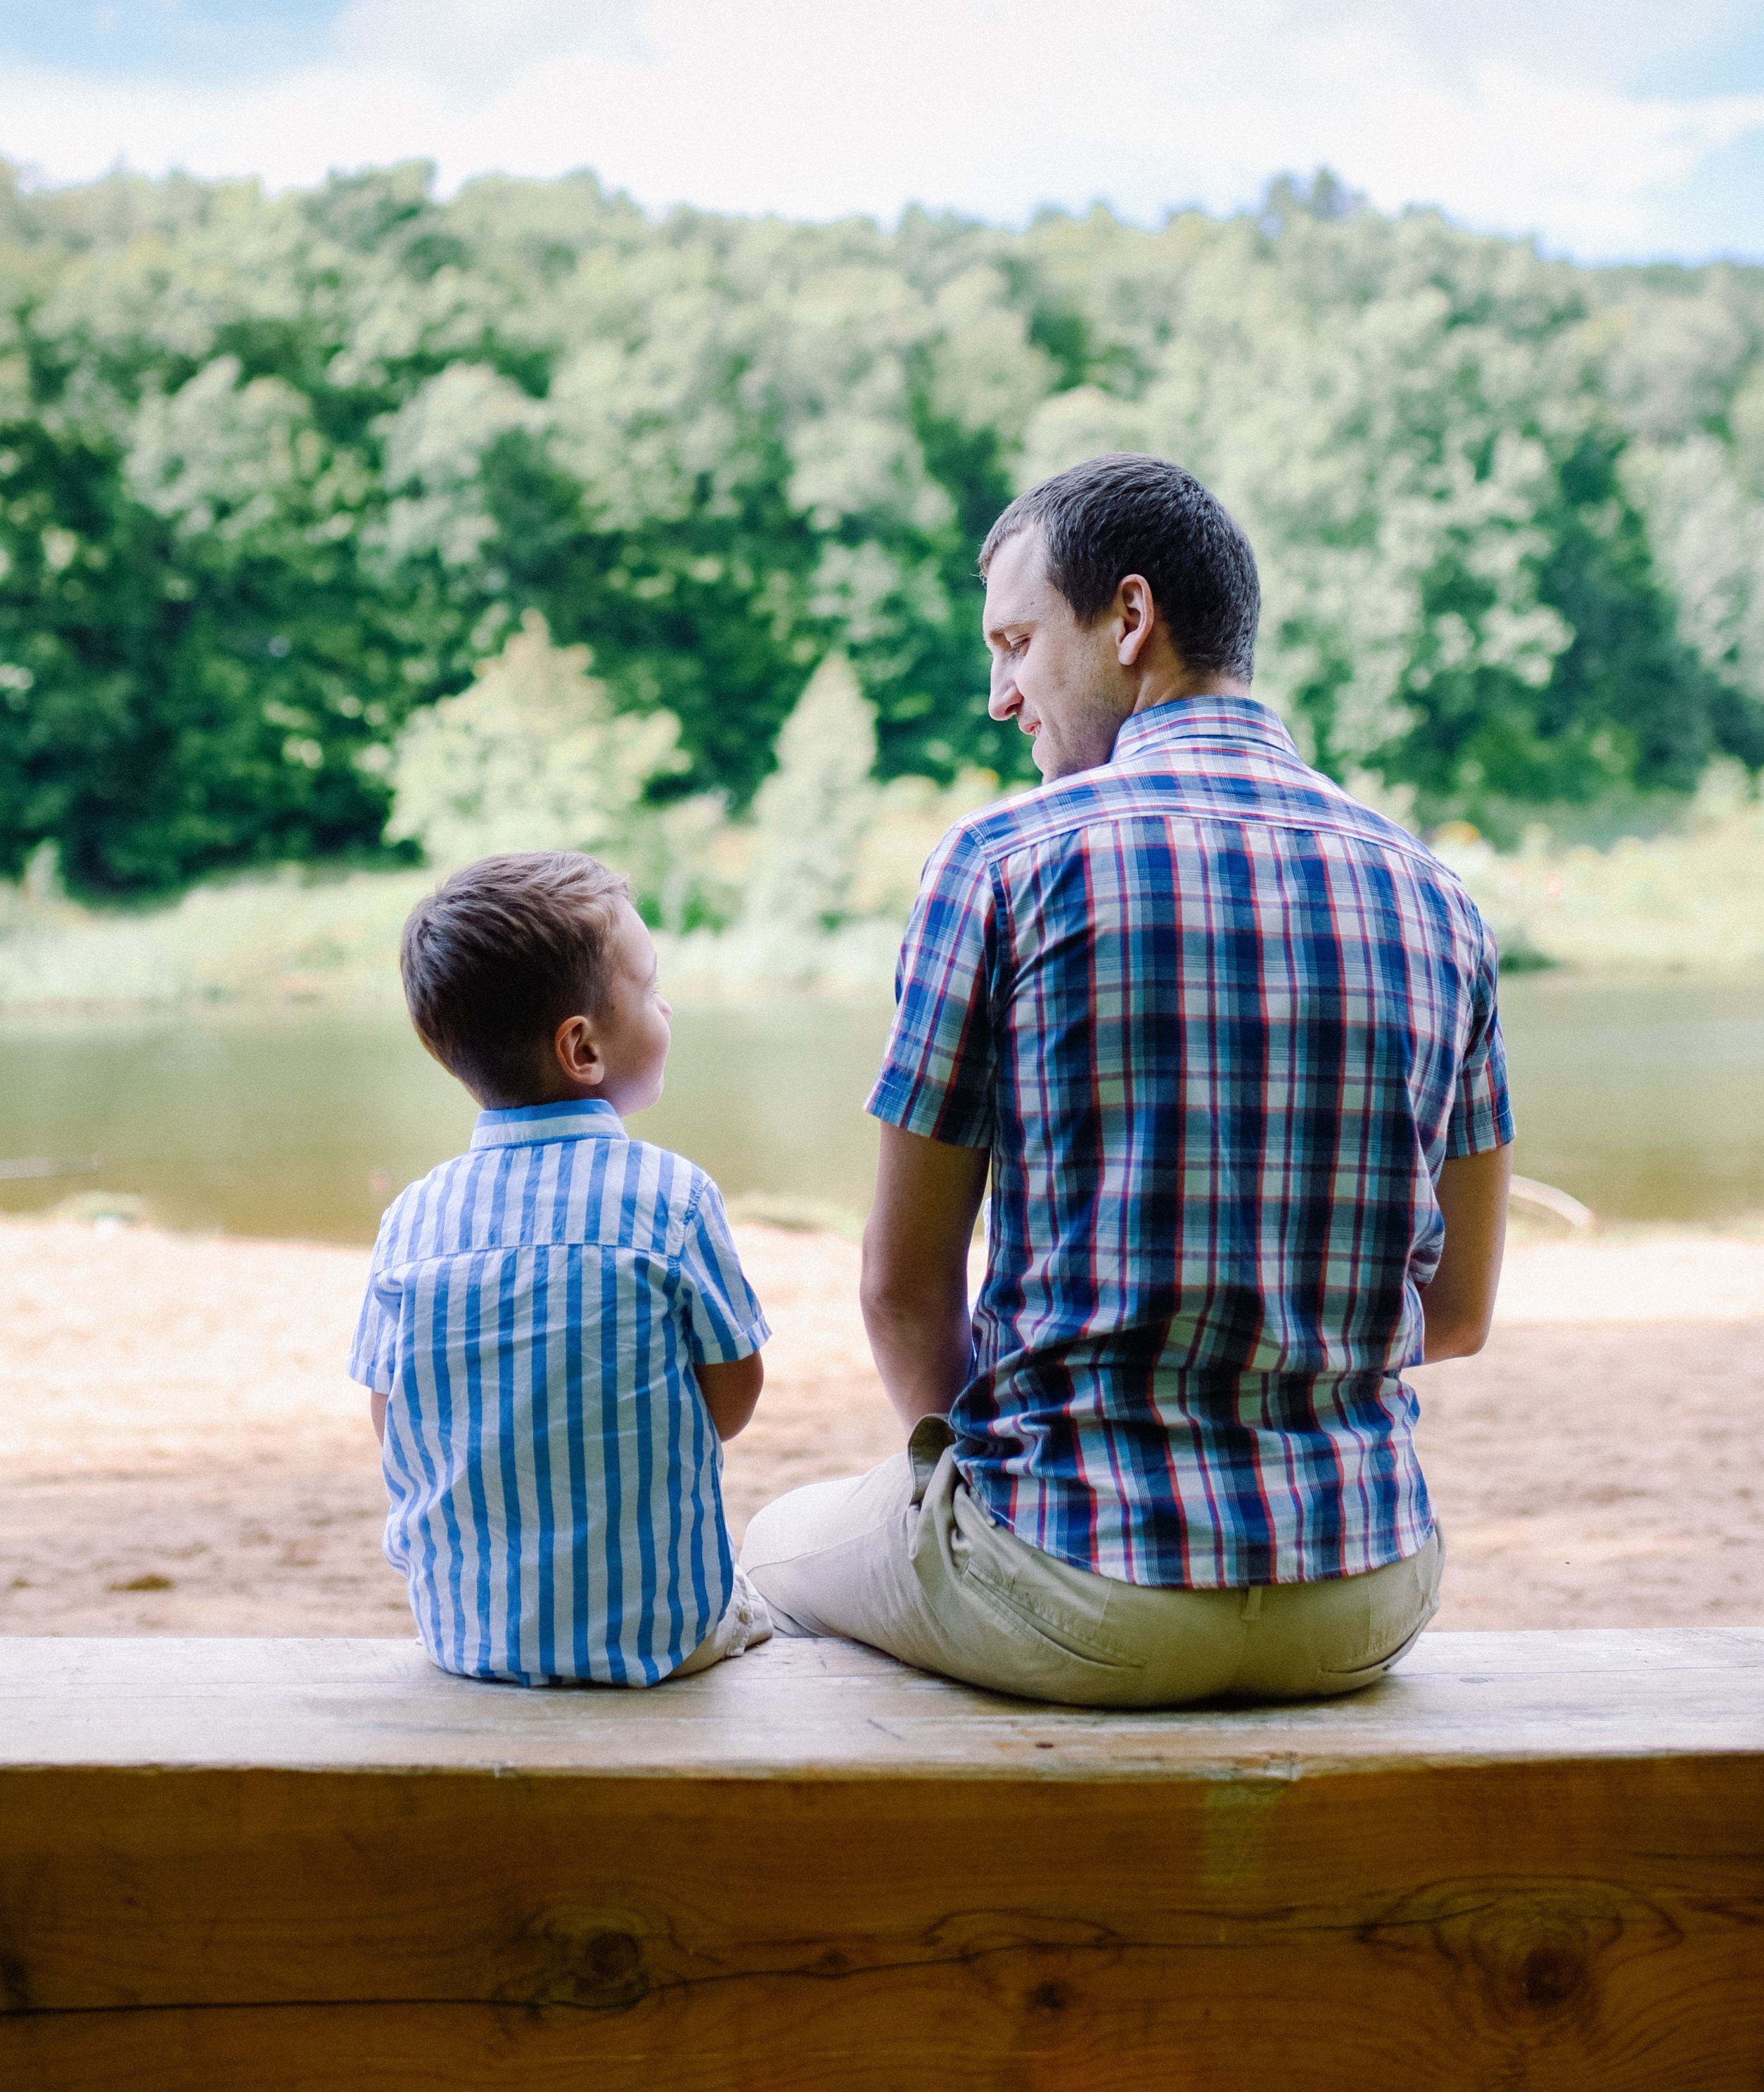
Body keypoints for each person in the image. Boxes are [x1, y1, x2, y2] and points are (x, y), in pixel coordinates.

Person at [740, 452, 1513, 1707]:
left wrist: (984, 1492)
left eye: (1018, 641)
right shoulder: (1437, 894)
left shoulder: (1001, 862)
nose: (1003, 694)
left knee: (775, 1547)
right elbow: (1463, 1311)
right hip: (1368, 1594)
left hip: (1083, 1590)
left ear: (1131, 621)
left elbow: (900, 1287)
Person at [348, 848, 773, 1686]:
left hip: (467, 1637)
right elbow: (732, 1401)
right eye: (650, 989)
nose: (668, 1005)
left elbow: (390, 1417)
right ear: (581, 1048)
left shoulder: (412, 1220)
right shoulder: (673, 1197)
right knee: (766, 1587)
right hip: (661, 1639)